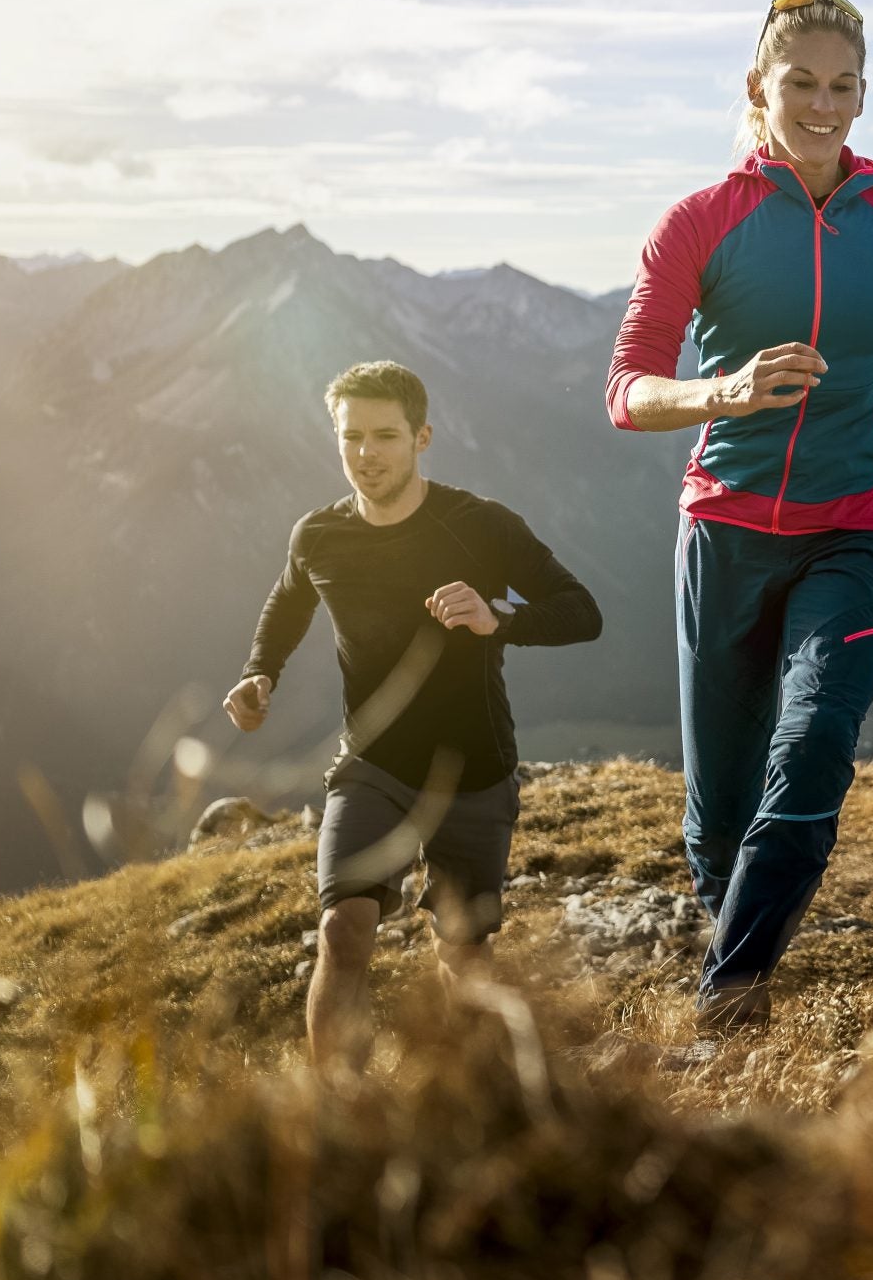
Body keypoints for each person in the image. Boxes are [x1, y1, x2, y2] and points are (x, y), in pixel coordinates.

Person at [606, 0, 873, 1029]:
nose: (823, 104)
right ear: (757, 89)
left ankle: (728, 1008)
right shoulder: (701, 221)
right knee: (719, 809)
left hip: (855, 531)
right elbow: (628, 388)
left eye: (843, 85)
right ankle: (737, 958)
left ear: (864, 94)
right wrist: (717, 393)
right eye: (801, 83)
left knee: (812, 750)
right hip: (724, 529)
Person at [226, 360, 602, 1070]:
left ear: (422, 436)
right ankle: (336, 1111)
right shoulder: (319, 536)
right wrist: (258, 675)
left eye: (386, 436)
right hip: (373, 766)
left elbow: (583, 610)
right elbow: (287, 604)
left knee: (463, 954)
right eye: (352, 437)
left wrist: (499, 617)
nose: (366, 454)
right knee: (343, 930)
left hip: (475, 771)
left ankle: (458, 1103)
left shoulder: (480, 526)